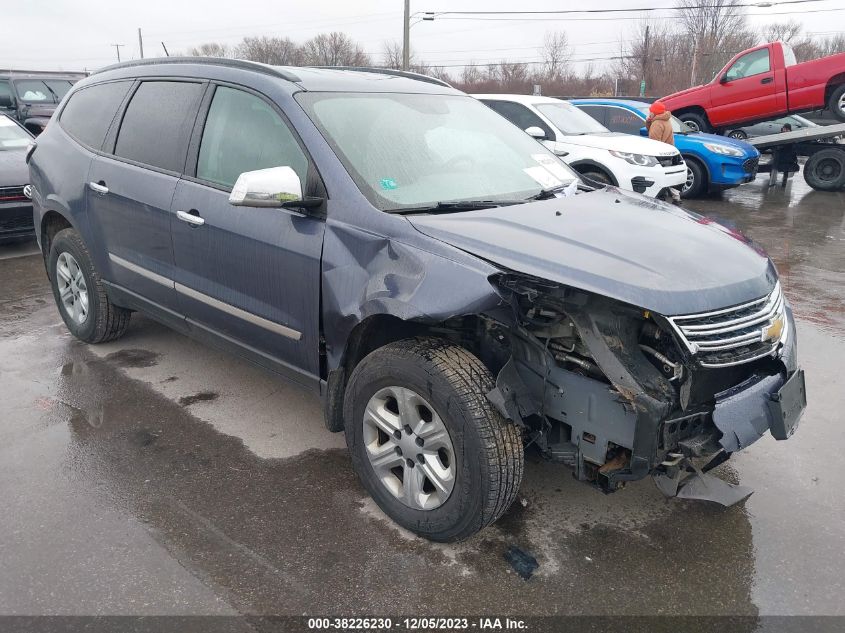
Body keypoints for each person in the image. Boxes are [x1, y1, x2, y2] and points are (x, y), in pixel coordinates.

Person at [646, 101, 681, 203]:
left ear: (655, 112)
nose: (649, 113)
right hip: (669, 153)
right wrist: (649, 122)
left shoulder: (657, 123)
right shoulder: (665, 120)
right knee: (670, 177)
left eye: (651, 111)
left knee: (660, 178)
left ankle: (661, 200)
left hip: (660, 155)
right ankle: (676, 198)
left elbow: (654, 143)